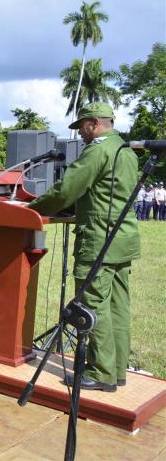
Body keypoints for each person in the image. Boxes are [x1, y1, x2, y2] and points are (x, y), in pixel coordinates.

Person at [28, 103, 140, 392]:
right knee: (117, 306)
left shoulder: (98, 151)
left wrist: (32, 208)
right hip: (123, 237)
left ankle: (100, 372)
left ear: (93, 124)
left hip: (98, 239)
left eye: (82, 127)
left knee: (92, 304)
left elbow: (68, 189)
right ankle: (115, 370)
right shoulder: (126, 151)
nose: (81, 133)